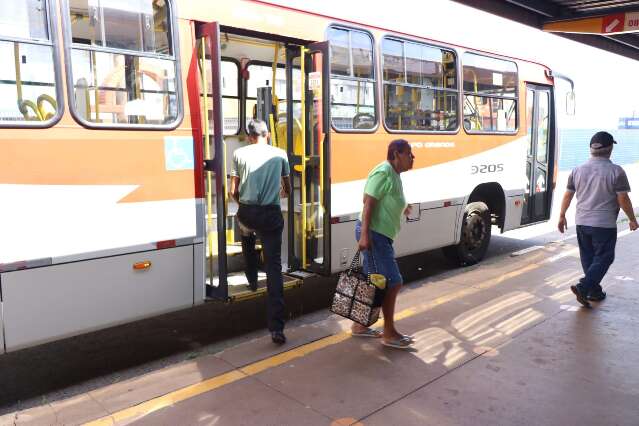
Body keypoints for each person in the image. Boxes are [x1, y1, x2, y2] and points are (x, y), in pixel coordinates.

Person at [558, 131, 638, 308]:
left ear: (591, 149)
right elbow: (623, 198)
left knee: (588, 257)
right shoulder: (616, 171)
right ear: (610, 149)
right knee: (604, 257)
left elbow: (568, 195)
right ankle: (584, 286)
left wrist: (562, 215)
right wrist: (632, 219)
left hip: (581, 222)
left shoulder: (577, 170)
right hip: (604, 224)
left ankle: (593, 291)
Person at [230, 119, 291, 344]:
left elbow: (232, 191)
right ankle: (277, 329)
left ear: (249, 136)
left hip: (248, 213)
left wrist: (242, 205)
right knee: (274, 268)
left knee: (246, 231)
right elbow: (287, 189)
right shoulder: (280, 153)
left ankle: (252, 277)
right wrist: (279, 194)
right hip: (270, 214)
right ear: (267, 134)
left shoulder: (239, 154)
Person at [352, 139, 415, 349]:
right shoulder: (383, 171)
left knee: (374, 283)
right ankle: (389, 333)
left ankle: (359, 326)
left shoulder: (395, 174)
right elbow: (368, 202)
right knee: (393, 282)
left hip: (380, 235)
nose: (412, 157)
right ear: (396, 154)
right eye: (409, 153)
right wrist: (364, 237)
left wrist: (402, 207)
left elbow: (389, 198)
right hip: (374, 235)